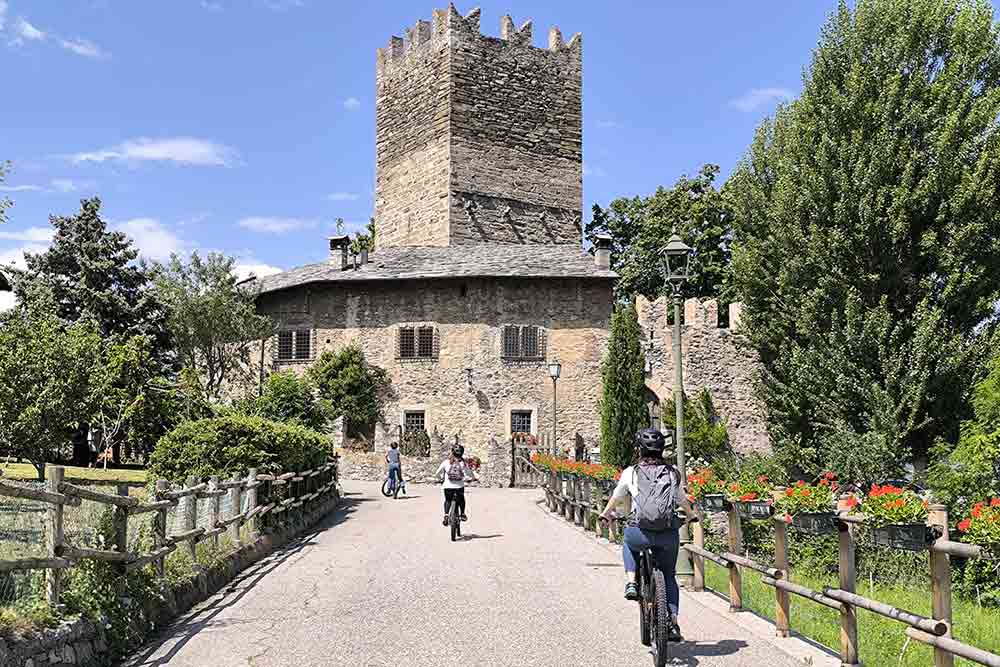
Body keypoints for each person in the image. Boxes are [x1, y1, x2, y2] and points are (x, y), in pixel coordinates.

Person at [599, 428, 686, 642]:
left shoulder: (632, 472)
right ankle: (673, 622)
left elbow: (617, 497)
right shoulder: (673, 472)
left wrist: (605, 514)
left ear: (639, 449)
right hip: (667, 535)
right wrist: (693, 516)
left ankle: (631, 582)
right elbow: (682, 500)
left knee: (628, 543)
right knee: (668, 576)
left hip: (640, 533)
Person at [436, 444, 478, 524]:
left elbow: (437, 473)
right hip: (459, 486)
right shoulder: (463, 463)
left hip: (447, 486)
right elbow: (469, 473)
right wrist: (473, 478)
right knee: (461, 499)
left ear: (452, 452)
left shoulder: (446, 462)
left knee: (448, 500)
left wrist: (441, 478)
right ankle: (462, 514)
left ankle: (446, 515)